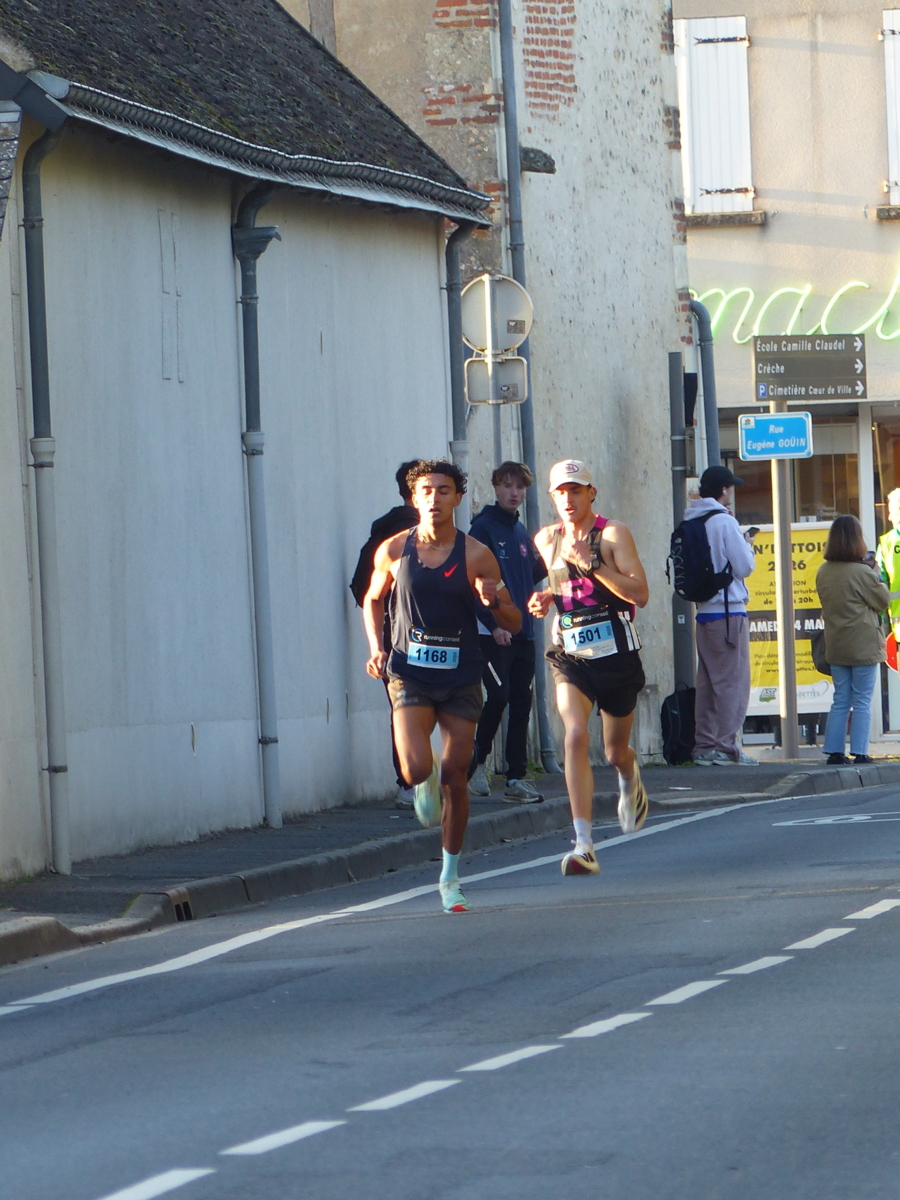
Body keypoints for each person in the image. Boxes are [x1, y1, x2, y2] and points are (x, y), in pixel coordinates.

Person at [363, 459, 522, 912]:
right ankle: (424, 776)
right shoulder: (394, 550)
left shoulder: (476, 554)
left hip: (460, 674)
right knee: (416, 770)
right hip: (409, 671)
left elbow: (514, 618)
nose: (434, 499)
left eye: (444, 491)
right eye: (426, 491)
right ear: (414, 499)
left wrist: (494, 604)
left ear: (458, 498)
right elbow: (372, 599)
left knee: (457, 774)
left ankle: (450, 877)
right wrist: (376, 647)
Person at [528, 459, 649, 875]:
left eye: (576, 490)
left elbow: (640, 593)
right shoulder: (546, 539)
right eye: (561, 492)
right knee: (575, 734)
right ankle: (583, 845)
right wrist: (547, 599)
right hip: (571, 654)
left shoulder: (612, 534)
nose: (569, 499)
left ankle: (629, 778)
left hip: (616, 653)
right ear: (552, 496)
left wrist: (593, 563)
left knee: (615, 751)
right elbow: (562, 588)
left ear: (591, 493)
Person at [468, 461, 548, 802]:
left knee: (521, 701)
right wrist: (493, 623)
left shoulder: (521, 531)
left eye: (520, 487)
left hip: (523, 631)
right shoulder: (483, 528)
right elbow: (471, 583)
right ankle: (475, 764)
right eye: (507, 485)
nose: (514, 493)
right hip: (492, 634)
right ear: (496, 488)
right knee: (498, 696)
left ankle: (516, 778)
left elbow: (533, 573)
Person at [350, 460, 420, 808]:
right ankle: (419, 781)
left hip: (400, 636)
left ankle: (412, 782)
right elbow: (368, 591)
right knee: (417, 708)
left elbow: (359, 587)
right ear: (416, 493)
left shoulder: (381, 534)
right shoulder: (402, 538)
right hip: (413, 636)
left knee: (407, 709)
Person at [683, 465, 758, 766]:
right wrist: (748, 546)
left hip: (704, 612)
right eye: (731, 488)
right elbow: (744, 567)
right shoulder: (725, 522)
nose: (732, 493)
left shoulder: (692, 519)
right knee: (732, 683)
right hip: (729, 613)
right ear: (724, 490)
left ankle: (703, 747)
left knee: (707, 684)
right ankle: (727, 748)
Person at [816, 515, 890, 765]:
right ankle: (860, 751)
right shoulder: (862, 572)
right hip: (863, 645)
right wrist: (876, 574)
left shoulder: (823, 571)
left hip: (836, 644)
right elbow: (882, 601)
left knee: (840, 699)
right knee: (861, 701)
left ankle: (834, 751)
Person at [875, 487, 900, 635]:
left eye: (891, 512)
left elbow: (878, 584)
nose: (889, 518)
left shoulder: (887, 543)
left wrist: (878, 619)